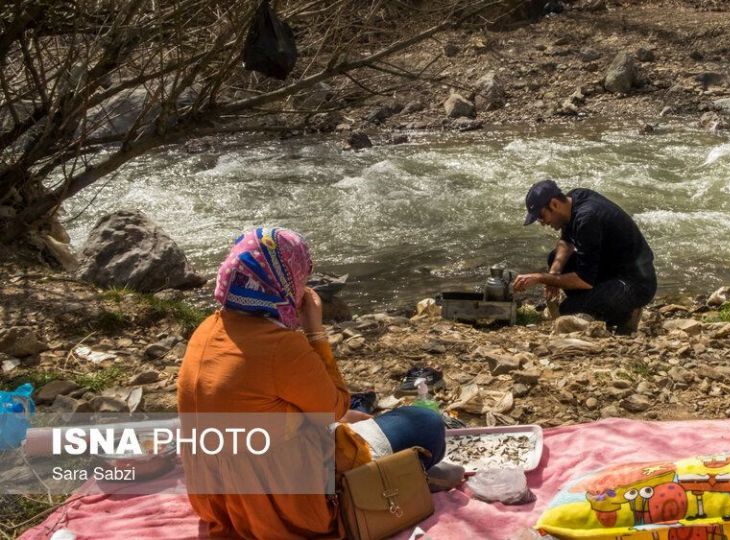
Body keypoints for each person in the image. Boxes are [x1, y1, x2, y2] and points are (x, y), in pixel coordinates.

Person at [177, 227, 446, 539]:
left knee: (362, 420)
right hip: (286, 507)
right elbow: (336, 405)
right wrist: (314, 330)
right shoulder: (280, 346)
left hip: (217, 502)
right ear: (286, 281)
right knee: (425, 423)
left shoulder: (205, 331)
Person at [513, 180, 657, 334]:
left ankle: (627, 314)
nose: (543, 223)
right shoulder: (575, 198)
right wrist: (553, 273)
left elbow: (585, 280)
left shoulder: (587, 218)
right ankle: (600, 309)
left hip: (636, 284)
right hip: (612, 269)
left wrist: (540, 278)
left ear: (554, 204)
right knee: (554, 258)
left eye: (541, 216)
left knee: (568, 310)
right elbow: (566, 241)